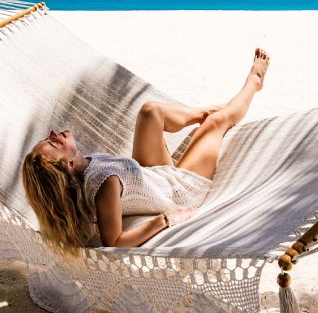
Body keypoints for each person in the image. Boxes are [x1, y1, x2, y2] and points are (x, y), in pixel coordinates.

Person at [21, 48, 270, 256]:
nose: (53, 133)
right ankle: (254, 82)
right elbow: (114, 242)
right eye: (53, 143)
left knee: (150, 112)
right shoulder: (103, 184)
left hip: (151, 175)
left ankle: (209, 111)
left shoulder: (85, 168)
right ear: (68, 166)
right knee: (216, 122)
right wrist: (165, 219)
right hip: (179, 191)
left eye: (48, 138)